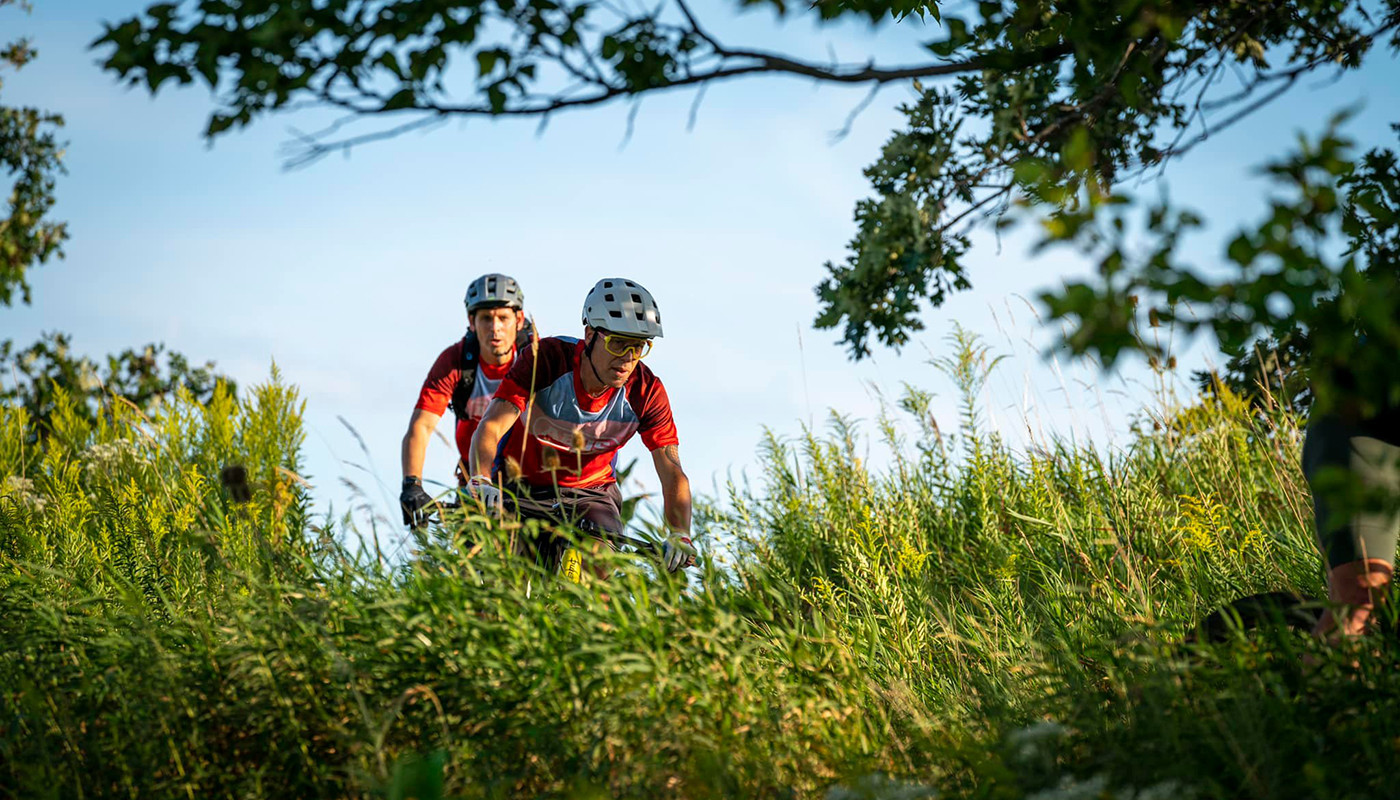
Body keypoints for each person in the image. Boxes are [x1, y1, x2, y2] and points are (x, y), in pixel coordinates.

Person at [466, 277, 694, 573]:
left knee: (596, 568)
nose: (627, 359)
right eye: (617, 344)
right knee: (501, 576)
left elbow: (672, 471)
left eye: (638, 348)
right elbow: (491, 427)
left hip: (591, 493)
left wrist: (680, 533)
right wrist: (481, 480)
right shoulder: (546, 360)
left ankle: (579, 614)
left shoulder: (646, 392)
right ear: (589, 335)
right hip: (519, 486)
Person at [400, 273, 532, 526]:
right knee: (471, 560)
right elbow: (421, 426)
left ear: (519, 320)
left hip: (532, 485)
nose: (495, 328)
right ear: (471, 321)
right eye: (486, 319)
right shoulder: (455, 362)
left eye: (504, 318)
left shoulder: (536, 358)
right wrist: (411, 484)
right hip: (476, 484)